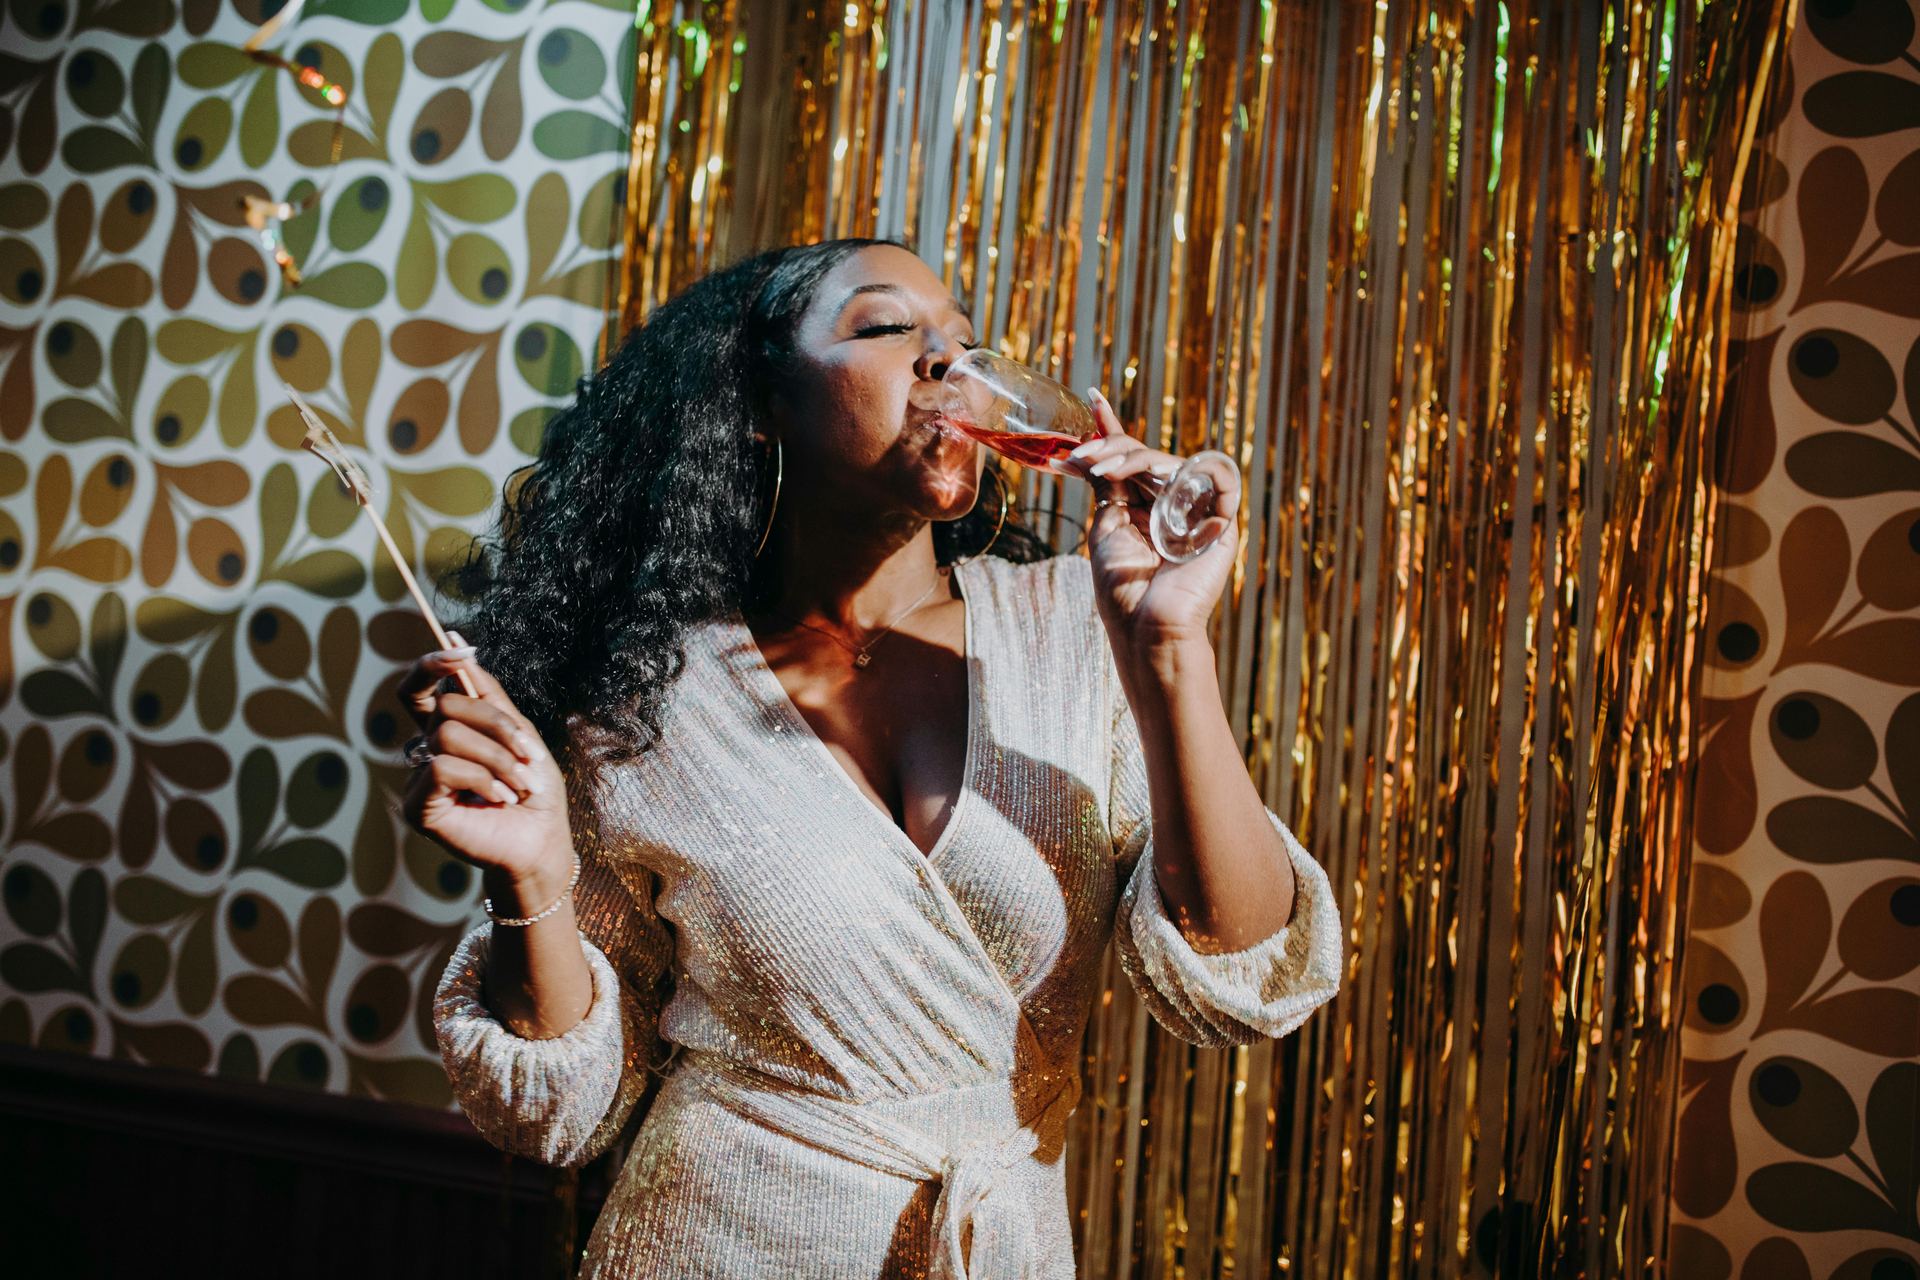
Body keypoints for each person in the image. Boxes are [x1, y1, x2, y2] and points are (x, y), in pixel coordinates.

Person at [400, 238, 1341, 1279]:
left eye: (964, 338)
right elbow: (558, 1109)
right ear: (763, 401)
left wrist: (1167, 647)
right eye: (888, 326)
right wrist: (531, 878)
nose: (946, 355)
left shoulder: (1079, 629)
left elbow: (1237, 978)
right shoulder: (643, 703)